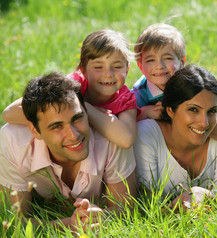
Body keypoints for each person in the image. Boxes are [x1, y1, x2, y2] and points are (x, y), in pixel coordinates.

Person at [0, 72, 137, 230]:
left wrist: (101, 217)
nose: (74, 135)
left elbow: (127, 209)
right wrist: (68, 225)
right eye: (57, 126)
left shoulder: (111, 137)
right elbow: (14, 222)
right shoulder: (11, 142)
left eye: (77, 118)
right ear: (35, 130)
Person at [133, 64, 217, 208]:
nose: (204, 123)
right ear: (170, 110)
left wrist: (204, 195)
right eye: (193, 109)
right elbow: (147, 205)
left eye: (212, 111)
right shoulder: (147, 135)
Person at [2, 29, 138, 149]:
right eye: (98, 67)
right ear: (83, 70)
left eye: (117, 67)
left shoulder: (125, 99)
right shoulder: (71, 85)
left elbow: (126, 140)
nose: (108, 74)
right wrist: (84, 108)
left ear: (127, 69)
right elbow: (9, 114)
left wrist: (85, 112)